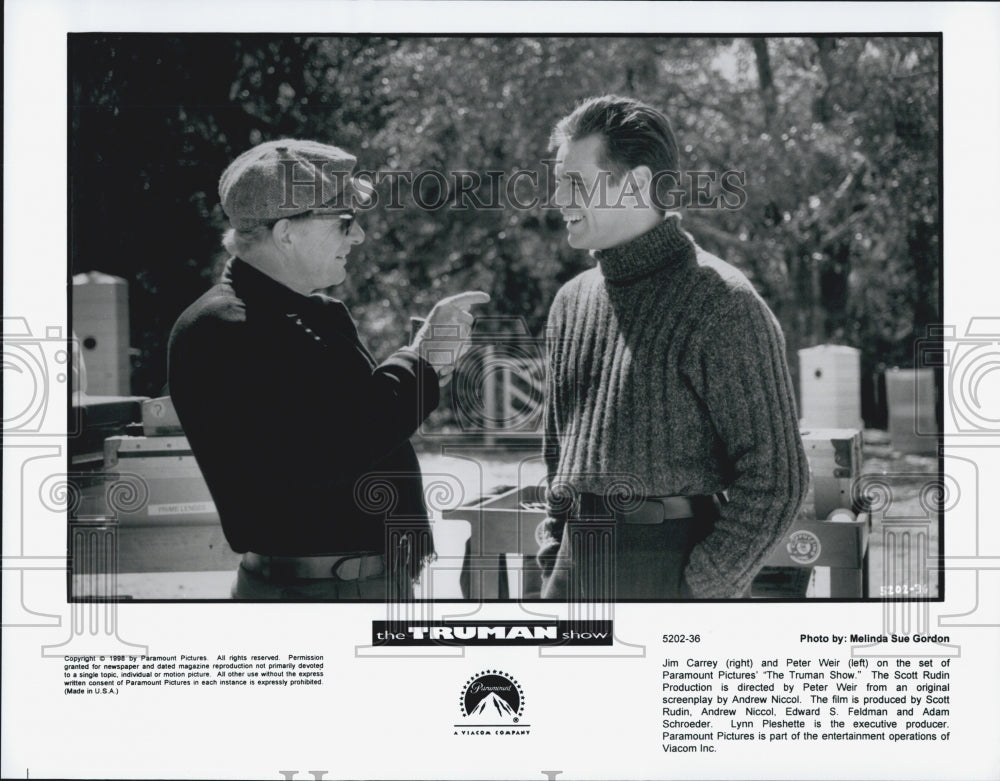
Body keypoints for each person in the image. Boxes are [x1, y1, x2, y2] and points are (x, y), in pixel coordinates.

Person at [168, 138, 487, 599]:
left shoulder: (303, 315)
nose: (357, 236)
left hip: (349, 581)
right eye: (344, 222)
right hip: (316, 592)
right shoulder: (227, 327)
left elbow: (368, 423)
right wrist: (420, 360)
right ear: (285, 233)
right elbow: (333, 450)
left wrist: (426, 364)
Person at [535, 96, 809, 600]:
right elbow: (558, 455)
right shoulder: (569, 303)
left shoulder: (722, 301)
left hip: (672, 569)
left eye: (574, 183)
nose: (558, 199)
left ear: (637, 183)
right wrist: (556, 553)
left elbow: (778, 479)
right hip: (573, 570)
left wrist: (702, 585)